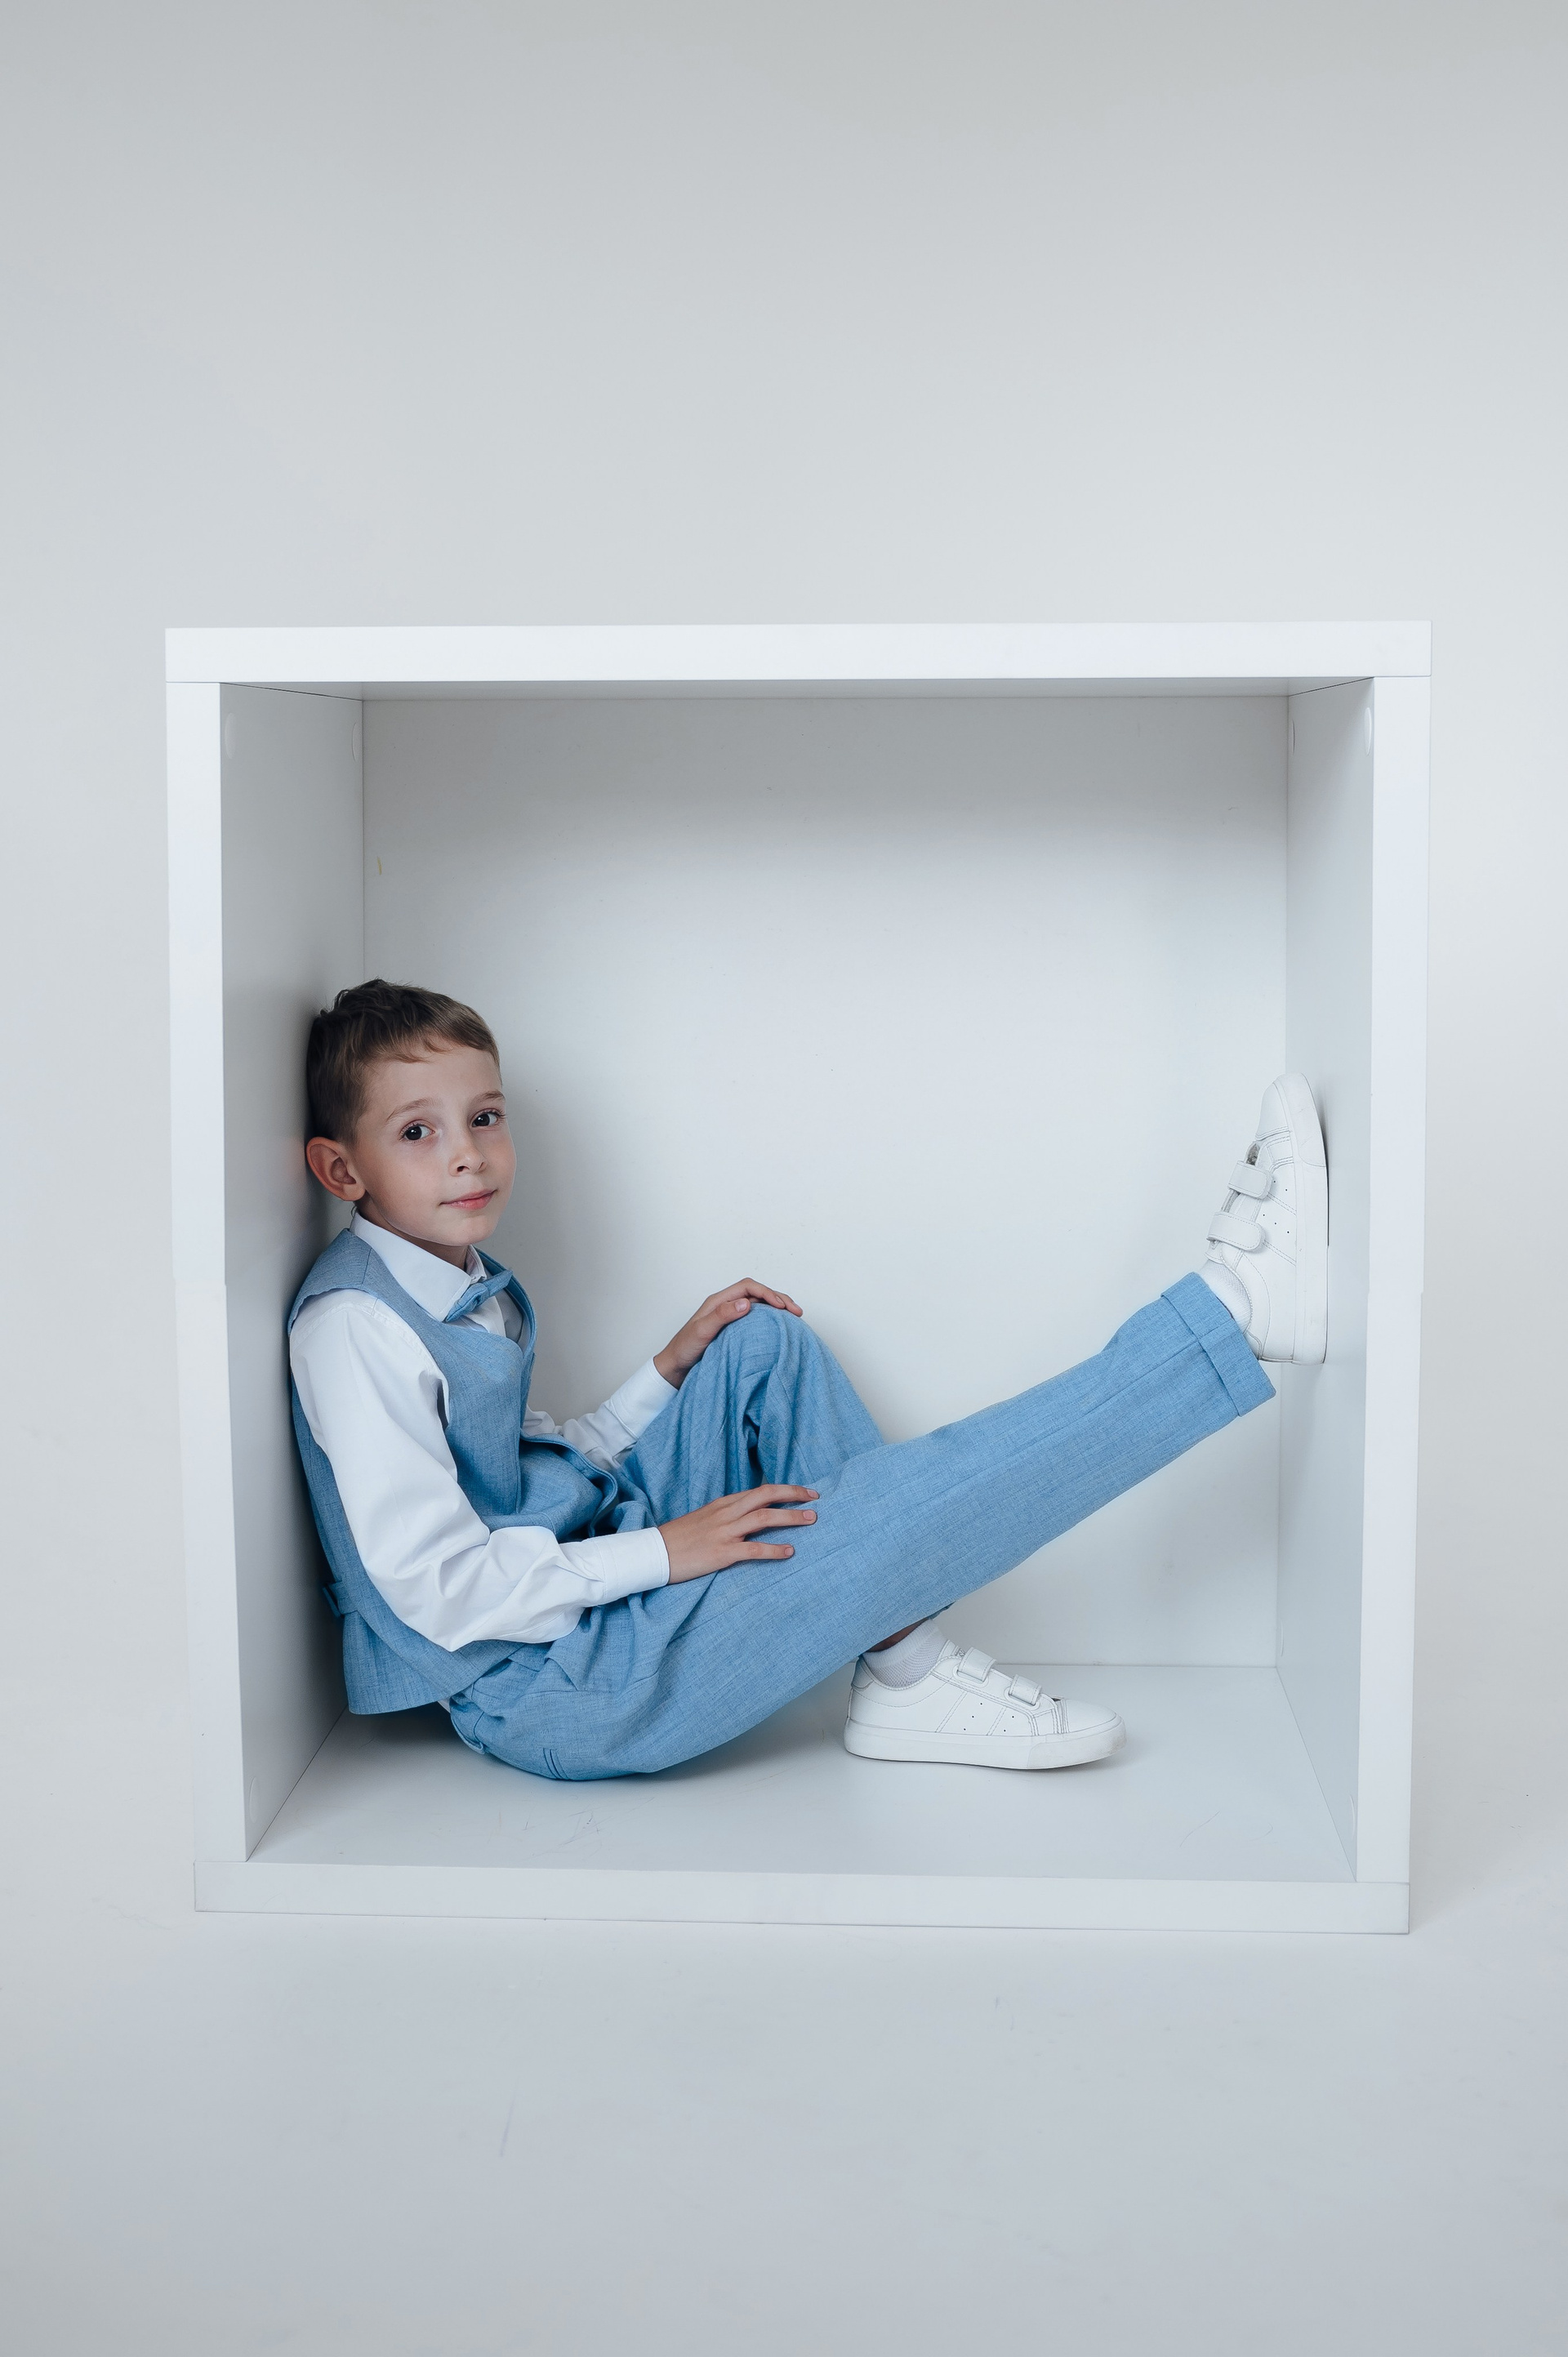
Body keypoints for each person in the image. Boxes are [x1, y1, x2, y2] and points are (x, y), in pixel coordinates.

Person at [288, 980, 1326, 1781]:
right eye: (418, 1133)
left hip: (573, 1584)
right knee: (882, 1516)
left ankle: (901, 1668)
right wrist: (666, 1551)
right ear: (342, 1170)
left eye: (484, 1117)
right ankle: (1232, 1315)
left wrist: (662, 1376)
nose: (467, 1156)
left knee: (758, 1342)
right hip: (556, 1688)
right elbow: (442, 1593)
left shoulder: (449, 1272)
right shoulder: (354, 1329)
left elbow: (509, 1479)